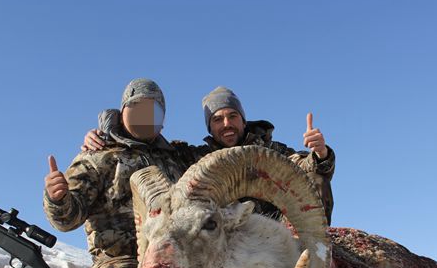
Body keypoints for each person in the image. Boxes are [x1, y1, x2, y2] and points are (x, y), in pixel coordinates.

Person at [84, 86, 335, 223]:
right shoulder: (193, 157)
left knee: (316, 180)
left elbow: (303, 167)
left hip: (273, 232)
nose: (226, 124)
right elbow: (147, 145)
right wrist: (109, 132)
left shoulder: (270, 151)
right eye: (217, 119)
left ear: (243, 120)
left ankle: (312, 253)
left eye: (232, 116)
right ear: (210, 126)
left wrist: (320, 154)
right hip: (227, 236)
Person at [44, 78, 189, 268]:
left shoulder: (177, 158)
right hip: (121, 265)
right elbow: (66, 220)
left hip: (176, 257)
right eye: (137, 108)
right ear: (122, 112)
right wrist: (58, 199)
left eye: (153, 111)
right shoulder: (96, 156)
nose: (145, 117)